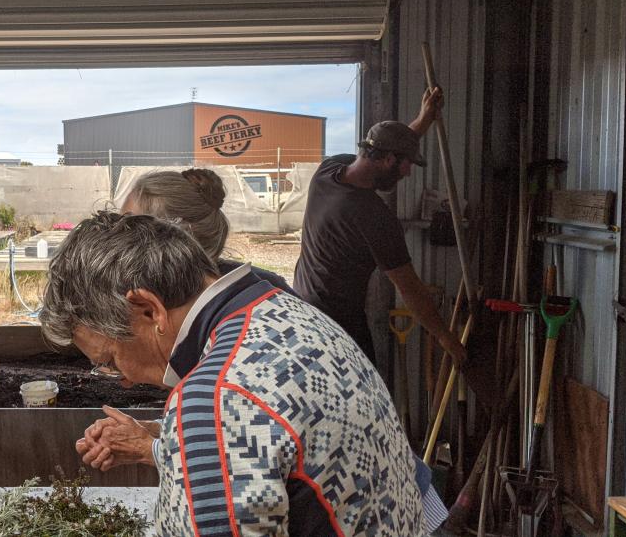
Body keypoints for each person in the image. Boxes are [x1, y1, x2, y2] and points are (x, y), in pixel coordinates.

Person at [40, 211, 426, 536]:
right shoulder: (281, 308)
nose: (120, 379)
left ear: (148, 310)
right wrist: (169, 436)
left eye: (108, 360)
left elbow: (229, 414)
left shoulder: (213, 401)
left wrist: (190, 429)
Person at [293, 87, 467, 367]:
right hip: (339, 329)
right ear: (387, 160)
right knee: (363, 400)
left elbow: (387, 148)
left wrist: (421, 122)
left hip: (303, 311)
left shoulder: (329, 170)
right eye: (407, 164)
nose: (408, 172)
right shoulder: (374, 217)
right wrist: (446, 339)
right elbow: (410, 289)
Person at [120, 168, 294, 292]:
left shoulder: (146, 306)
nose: (113, 236)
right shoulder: (266, 283)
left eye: (127, 227)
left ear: (179, 239)